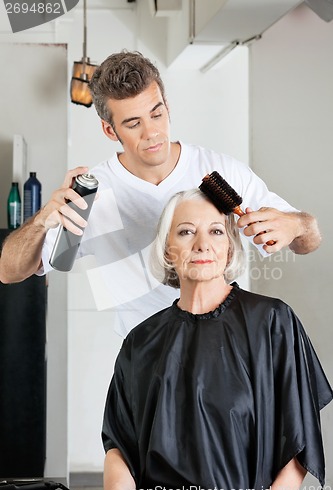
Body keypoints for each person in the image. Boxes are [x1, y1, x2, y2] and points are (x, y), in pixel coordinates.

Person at [0, 51, 321, 336]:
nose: (152, 132)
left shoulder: (221, 170)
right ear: (110, 130)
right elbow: (10, 271)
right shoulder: (92, 195)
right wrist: (43, 219)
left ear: (167, 106)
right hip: (147, 359)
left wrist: (297, 225)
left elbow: (309, 241)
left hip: (226, 344)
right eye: (133, 123)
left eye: (156, 113)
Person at [102, 188, 332, 490]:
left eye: (215, 231)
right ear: (168, 250)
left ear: (230, 248)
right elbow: (119, 444)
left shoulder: (272, 321)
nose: (202, 244)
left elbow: (299, 435)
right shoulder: (140, 341)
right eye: (185, 232)